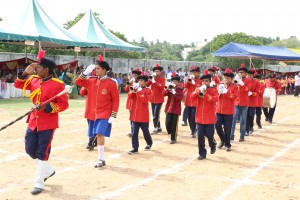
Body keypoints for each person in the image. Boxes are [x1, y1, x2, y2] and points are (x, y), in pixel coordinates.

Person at [14, 52, 69, 195]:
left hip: (48, 123)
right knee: (29, 149)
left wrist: (48, 107)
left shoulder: (58, 85)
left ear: (47, 69)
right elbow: (17, 84)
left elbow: (64, 104)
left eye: (39, 67)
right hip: (33, 121)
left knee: (42, 152)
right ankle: (48, 170)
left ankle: (39, 182)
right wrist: (25, 73)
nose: (36, 69)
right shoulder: (33, 80)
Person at [75, 55, 119, 168]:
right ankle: (100, 158)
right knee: (94, 134)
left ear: (104, 70)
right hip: (92, 113)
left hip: (105, 113)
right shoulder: (91, 80)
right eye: (95, 68)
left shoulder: (111, 83)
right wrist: (85, 73)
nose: (96, 70)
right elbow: (78, 81)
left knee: (100, 133)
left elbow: (116, 101)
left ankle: (101, 158)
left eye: (98, 68)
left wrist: (113, 114)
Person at [191, 69, 218, 160]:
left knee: (209, 135)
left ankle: (212, 144)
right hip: (199, 117)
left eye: (206, 81)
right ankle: (202, 153)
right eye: (203, 81)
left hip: (209, 118)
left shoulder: (213, 90)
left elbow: (215, 99)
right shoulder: (198, 88)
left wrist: (205, 95)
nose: (204, 82)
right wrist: (198, 90)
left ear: (210, 82)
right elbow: (191, 97)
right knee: (200, 136)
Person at [128, 72, 153, 154]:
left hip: (143, 115)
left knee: (145, 131)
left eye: (142, 80)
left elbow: (145, 101)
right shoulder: (136, 89)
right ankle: (135, 147)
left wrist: (140, 91)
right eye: (139, 80)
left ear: (146, 82)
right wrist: (132, 91)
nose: (140, 82)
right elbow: (130, 97)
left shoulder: (148, 90)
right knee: (134, 132)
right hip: (135, 115)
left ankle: (149, 143)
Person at [215, 68, 238, 151]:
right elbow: (216, 96)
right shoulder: (220, 85)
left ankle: (227, 144)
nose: (226, 79)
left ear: (232, 79)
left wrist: (227, 92)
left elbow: (234, 97)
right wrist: (219, 92)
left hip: (228, 111)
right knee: (217, 125)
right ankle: (223, 140)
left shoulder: (235, 87)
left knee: (227, 128)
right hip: (219, 109)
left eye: (228, 78)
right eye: (225, 78)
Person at [231, 64, 252, 142]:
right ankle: (231, 135)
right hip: (236, 102)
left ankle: (242, 135)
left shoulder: (248, 80)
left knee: (243, 120)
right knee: (233, 119)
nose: (240, 73)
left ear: (246, 73)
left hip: (244, 102)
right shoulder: (235, 79)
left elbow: (247, 89)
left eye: (242, 72)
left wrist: (241, 83)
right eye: (239, 72)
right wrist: (235, 82)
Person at [163, 72, 184, 144]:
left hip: (176, 109)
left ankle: (173, 138)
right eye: (173, 81)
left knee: (174, 124)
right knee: (167, 123)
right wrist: (168, 89)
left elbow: (179, 98)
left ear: (178, 82)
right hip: (169, 108)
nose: (174, 82)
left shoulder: (180, 90)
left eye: (175, 81)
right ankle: (170, 132)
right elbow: (163, 94)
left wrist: (174, 92)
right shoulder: (169, 88)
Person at [147, 64, 166, 134]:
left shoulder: (162, 79)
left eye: (158, 71)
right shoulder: (152, 78)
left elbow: (161, 87)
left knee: (156, 114)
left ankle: (155, 128)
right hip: (152, 98)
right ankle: (159, 127)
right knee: (154, 114)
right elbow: (147, 85)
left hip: (159, 99)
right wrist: (150, 79)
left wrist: (155, 82)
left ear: (160, 72)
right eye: (155, 71)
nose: (156, 72)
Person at [184, 66, 202, 138]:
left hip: (196, 101)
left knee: (193, 117)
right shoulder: (190, 79)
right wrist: (189, 80)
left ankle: (195, 130)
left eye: (195, 72)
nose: (193, 74)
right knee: (189, 117)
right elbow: (185, 86)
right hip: (189, 101)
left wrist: (194, 83)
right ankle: (192, 130)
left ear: (199, 73)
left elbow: (200, 88)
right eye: (192, 72)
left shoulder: (201, 80)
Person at [124, 68, 142, 137]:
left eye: (136, 75)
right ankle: (133, 131)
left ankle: (135, 131)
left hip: (137, 101)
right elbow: (126, 89)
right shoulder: (132, 81)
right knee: (131, 117)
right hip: (131, 101)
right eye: (134, 75)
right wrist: (129, 83)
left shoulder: (141, 82)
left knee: (136, 117)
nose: (135, 76)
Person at [245, 68, 260, 135]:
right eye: (248, 75)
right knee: (246, 116)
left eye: (251, 75)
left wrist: (252, 93)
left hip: (253, 101)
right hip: (245, 101)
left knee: (251, 115)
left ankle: (251, 126)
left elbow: (257, 92)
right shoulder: (244, 81)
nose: (249, 76)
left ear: (253, 75)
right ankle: (247, 130)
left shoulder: (256, 82)